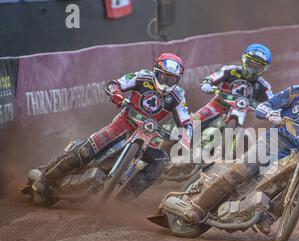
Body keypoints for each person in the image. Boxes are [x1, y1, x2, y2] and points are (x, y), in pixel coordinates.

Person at [182, 61, 299, 234]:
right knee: (241, 171)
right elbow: (265, 106)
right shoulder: (295, 93)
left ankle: (267, 218)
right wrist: (270, 113)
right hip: (275, 142)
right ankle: (199, 207)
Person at [32, 53, 192, 203]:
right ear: (156, 72)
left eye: (171, 79)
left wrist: (186, 138)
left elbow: (186, 121)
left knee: (160, 160)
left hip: (147, 135)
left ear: (177, 80)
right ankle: (45, 180)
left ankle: (124, 200)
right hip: (123, 123)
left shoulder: (178, 96)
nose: (166, 82)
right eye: (163, 76)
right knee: (86, 150)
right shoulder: (142, 77)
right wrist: (117, 95)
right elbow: (114, 84)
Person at [194, 43, 273, 127]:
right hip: (218, 105)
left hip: (242, 115)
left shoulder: (264, 86)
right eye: (251, 64)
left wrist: (275, 111)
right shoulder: (230, 70)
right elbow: (210, 79)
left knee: (245, 138)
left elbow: (273, 102)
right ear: (244, 60)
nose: (252, 69)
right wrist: (207, 85)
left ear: (264, 68)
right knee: (194, 121)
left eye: (257, 67)